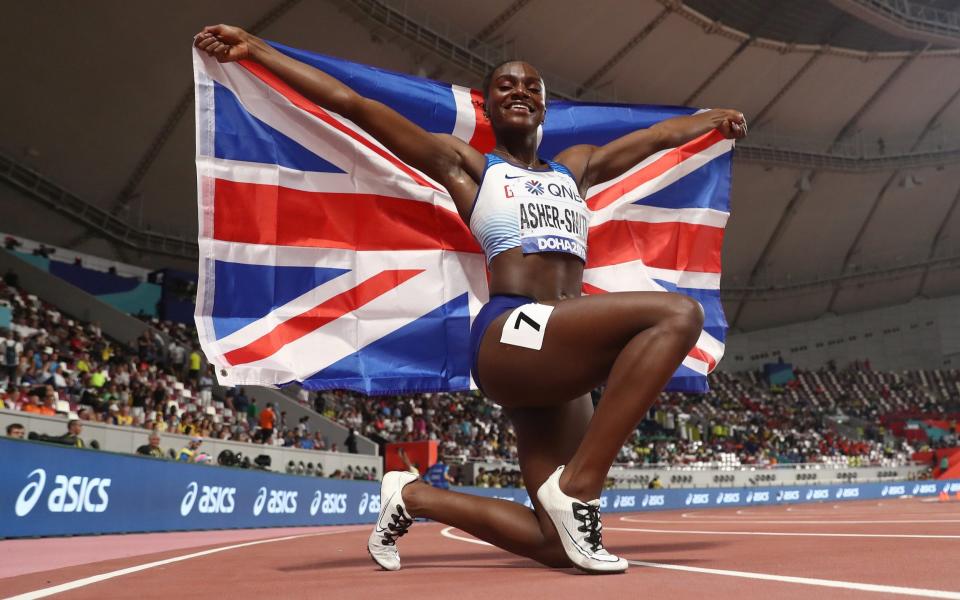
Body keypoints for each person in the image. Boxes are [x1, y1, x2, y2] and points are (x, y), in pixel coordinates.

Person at [195, 26, 745, 574]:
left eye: (532, 85)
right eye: (506, 85)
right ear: (488, 106)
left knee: (555, 543)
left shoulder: (574, 169)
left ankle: (413, 498)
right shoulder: (472, 168)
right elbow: (354, 105)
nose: (520, 90)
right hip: (513, 331)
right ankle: (577, 487)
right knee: (678, 313)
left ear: (545, 106)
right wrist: (260, 51)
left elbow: (655, 139)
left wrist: (711, 122)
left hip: (559, 353)